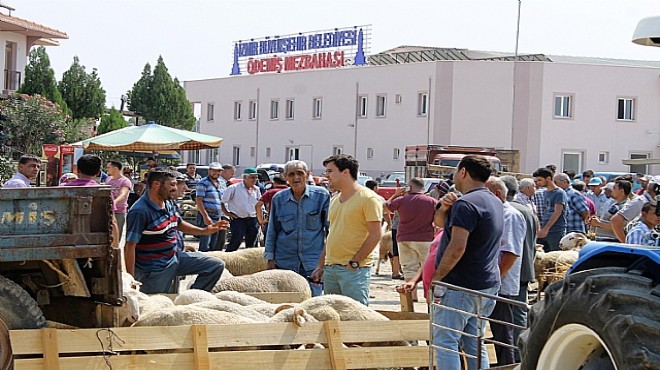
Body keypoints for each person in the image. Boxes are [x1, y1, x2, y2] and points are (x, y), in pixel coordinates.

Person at [431, 155, 503, 370]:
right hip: (486, 282)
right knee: (474, 340)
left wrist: (437, 279)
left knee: (445, 341)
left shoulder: (466, 204)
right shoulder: (494, 200)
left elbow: (457, 247)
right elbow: (440, 223)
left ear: (462, 172)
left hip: (460, 284)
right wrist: (443, 208)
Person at [125, 169, 227, 294]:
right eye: (171, 184)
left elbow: (177, 223)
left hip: (174, 257)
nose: (175, 188)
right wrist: (131, 279)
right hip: (154, 267)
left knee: (215, 265)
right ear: (157, 184)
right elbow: (130, 246)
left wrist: (204, 231)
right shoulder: (140, 211)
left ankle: (191, 298)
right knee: (155, 304)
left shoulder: (168, 202)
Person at [311, 154, 382, 306]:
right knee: (333, 318)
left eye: (330, 171)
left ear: (345, 172)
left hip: (354, 270)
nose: (326, 176)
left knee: (355, 318)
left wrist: (355, 262)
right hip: (331, 269)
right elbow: (332, 235)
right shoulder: (335, 199)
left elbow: (376, 235)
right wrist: (321, 265)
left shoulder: (368, 199)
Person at [264, 160, 330, 297]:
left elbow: (330, 231)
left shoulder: (322, 196)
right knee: (287, 302)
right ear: (285, 177)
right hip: (285, 261)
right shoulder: (279, 199)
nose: (296, 178)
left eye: (300, 173)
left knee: (314, 301)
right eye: (291, 174)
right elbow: (272, 230)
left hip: (313, 261)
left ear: (307, 175)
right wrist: (270, 258)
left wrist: (325, 262)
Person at [486, 176, 525, 366]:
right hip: (490, 283)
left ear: (497, 194)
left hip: (501, 285)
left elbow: (511, 252)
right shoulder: (494, 213)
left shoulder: (510, 215)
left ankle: (507, 366)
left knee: (502, 333)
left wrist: (495, 279)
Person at [501, 175, 539, 363]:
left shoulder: (507, 211)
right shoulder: (527, 210)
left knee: (511, 319)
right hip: (524, 268)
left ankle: (516, 358)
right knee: (518, 316)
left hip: (509, 270)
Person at [386, 177, 437, 301]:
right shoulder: (432, 201)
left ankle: (412, 296)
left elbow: (386, 207)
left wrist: (395, 194)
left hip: (404, 238)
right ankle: (429, 297)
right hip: (425, 239)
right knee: (428, 269)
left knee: (409, 268)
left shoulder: (401, 200)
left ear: (410, 187)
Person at [222, 167, 262, 252]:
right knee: (235, 241)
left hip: (253, 218)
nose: (255, 179)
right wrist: (227, 213)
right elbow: (223, 201)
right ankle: (229, 260)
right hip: (238, 219)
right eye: (252, 177)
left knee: (252, 244)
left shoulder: (257, 189)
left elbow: (259, 204)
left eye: (256, 177)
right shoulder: (234, 188)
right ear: (244, 177)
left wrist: (260, 219)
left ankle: (249, 263)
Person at [533, 167, 567, 252]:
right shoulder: (545, 192)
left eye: (540, 180)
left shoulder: (559, 193)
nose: (538, 183)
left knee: (555, 254)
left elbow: (557, 212)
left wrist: (546, 229)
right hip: (545, 229)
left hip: (556, 230)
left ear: (548, 178)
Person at [196, 162, 226, 252]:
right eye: (214, 170)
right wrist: (205, 216)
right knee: (205, 241)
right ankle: (203, 261)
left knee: (215, 242)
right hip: (207, 214)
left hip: (218, 215)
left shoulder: (222, 182)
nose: (216, 173)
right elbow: (199, 200)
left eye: (218, 171)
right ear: (209, 171)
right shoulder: (203, 183)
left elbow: (223, 198)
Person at [105, 160, 133, 238]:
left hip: (119, 212)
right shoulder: (108, 179)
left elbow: (123, 195)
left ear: (115, 168)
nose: (106, 169)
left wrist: (113, 203)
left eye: (108, 167)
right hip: (107, 211)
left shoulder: (125, 181)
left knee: (116, 237)